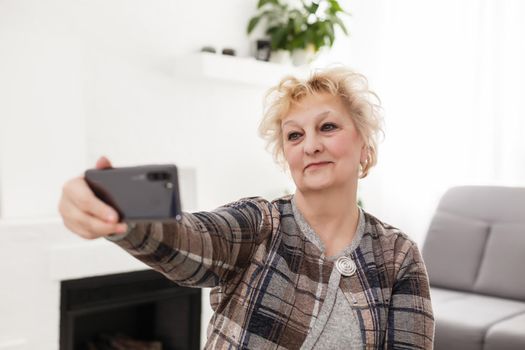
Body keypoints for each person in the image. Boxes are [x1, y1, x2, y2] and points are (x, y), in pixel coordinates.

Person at [59, 67, 434, 349]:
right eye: (295, 135)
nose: (311, 145)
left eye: (329, 127)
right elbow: (191, 239)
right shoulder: (260, 224)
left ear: (365, 147)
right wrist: (119, 217)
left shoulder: (397, 256)